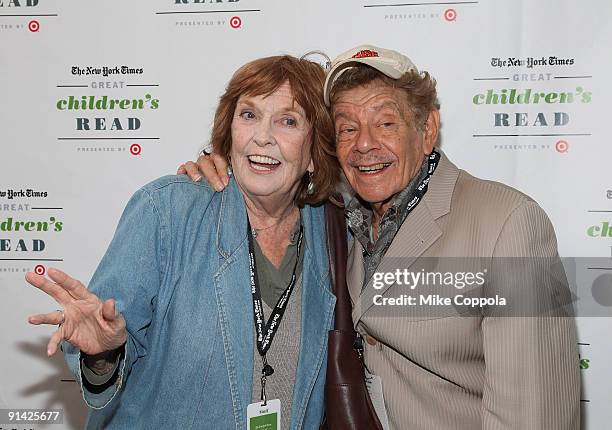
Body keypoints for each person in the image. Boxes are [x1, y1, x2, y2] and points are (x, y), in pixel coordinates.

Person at [179, 45, 580, 429]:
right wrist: (219, 171)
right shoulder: (334, 216)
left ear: (427, 130)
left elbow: (537, 414)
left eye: (385, 123)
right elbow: (272, 172)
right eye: (347, 128)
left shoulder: (508, 224)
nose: (365, 144)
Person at [25, 55, 339, 429]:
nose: (262, 136)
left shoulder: (334, 232)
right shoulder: (167, 211)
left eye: (288, 121)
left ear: (315, 153)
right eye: (249, 115)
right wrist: (104, 354)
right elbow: (105, 339)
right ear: (230, 132)